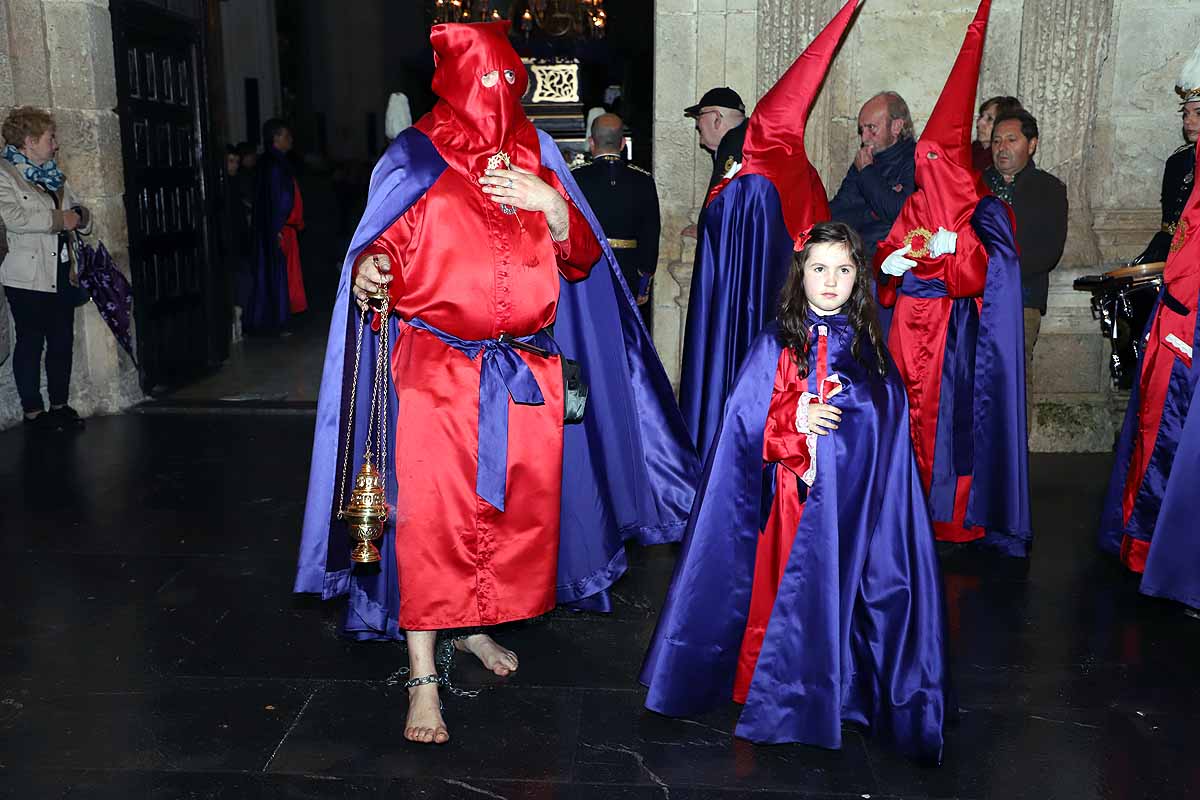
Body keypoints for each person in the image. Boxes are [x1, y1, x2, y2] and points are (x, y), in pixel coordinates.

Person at [294, 21, 699, 746]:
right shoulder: (414, 155)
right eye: (484, 83)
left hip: (521, 372)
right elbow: (378, 242)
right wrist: (370, 269)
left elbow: (580, 260)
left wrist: (551, 206)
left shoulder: (537, 153)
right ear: (451, 83)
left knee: (501, 519)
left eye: (509, 84)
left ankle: (473, 627)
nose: (497, 97)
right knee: (428, 518)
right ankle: (421, 674)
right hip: (434, 372)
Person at [642, 222, 948, 763]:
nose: (832, 282)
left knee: (844, 590)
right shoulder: (774, 341)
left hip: (851, 506)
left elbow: (887, 423)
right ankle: (780, 690)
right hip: (788, 503)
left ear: (859, 277)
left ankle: (843, 690)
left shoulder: (871, 348)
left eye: (845, 270)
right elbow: (743, 424)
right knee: (784, 589)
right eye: (820, 269)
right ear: (800, 274)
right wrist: (793, 420)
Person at [875, 0, 1031, 556]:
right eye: (925, 161)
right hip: (907, 329)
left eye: (938, 161)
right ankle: (902, 503)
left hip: (949, 333)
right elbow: (892, 251)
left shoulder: (983, 210)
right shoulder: (915, 205)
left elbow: (986, 277)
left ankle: (949, 514)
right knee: (904, 414)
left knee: (945, 424)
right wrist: (888, 267)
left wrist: (954, 251)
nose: (929, 170)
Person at [678, 0, 856, 460]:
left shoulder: (743, 157)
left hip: (753, 297)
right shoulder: (798, 167)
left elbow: (727, 221)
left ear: (717, 118)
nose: (699, 129)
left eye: (701, 119)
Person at [1099, 46, 1200, 617]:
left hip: (1189, 316)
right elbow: (1176, 233)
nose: (1188, 121)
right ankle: (1146, 541)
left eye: (1196, 110)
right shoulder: (1181, 164)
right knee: (1152, 423)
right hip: (1177, 305)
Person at [0, 106, 92, 432]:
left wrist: (81, 216)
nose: (55, 144)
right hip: (26, 276)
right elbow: (13, 217)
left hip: (61, 271)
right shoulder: (4, 175)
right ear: (30, 141)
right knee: (31, 341)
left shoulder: (53, 173)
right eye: (51, 138)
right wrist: (58, 220)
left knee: (62, 340)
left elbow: (79, 210)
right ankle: (33, 411)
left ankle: (60, 405)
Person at [982, 109, 1068, 400]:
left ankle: (1017, 445)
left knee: (1014, 381)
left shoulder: (1049, 189)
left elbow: (1049, 251)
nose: (1002, 148)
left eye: (1011, 139)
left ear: (1031, 145)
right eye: (996, 141)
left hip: (1021, 298)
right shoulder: (975, 186)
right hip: (974, 298)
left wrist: (998, 273)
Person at [571, 113, 660, 323]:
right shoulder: (643, 180)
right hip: (628, 271)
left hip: (588, 271)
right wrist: (643, 281)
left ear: (591, 142)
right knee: (625, 332)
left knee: (592, 332)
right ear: (622, 143)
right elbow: (650, 234)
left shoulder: (575, 178)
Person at [828, 91, 917, 263]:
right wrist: (873, 213)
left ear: (896, 127)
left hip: (887, 264)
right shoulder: (863, 161)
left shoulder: (915, 160)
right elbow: (835, 212)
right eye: (862, 129)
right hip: (853, 253)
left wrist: (868, 172)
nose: (864, 137)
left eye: (871, 128)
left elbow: (898, 212)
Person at [246, 118, 305, 334]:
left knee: (277, 274)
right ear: (276, 138)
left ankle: (276, 317)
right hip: (277, 229)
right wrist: (278, 227)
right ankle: (277, 321)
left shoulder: (272, 162)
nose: (290, 140)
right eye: (286, 136)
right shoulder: (273, 165)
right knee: (278, 274)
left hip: (276, 228)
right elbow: (278, 198)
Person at [1131, 92, 1199, 265]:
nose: (1188, 121)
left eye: (1199, 114)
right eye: (1185, 114)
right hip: (1169, 250)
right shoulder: (1177, 161)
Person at [684, 87, 747, 200]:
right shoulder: (746, 143)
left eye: (699, 116)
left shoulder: (736, 149)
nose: (697, 125)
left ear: (717, 118)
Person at [971, 95, 1022, 173]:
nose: (979, 123)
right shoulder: (969, 152)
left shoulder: (1009, 162)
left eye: (989, 119)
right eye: (981, 116)